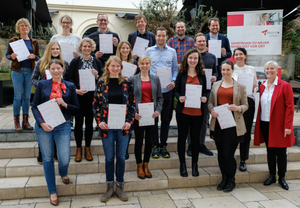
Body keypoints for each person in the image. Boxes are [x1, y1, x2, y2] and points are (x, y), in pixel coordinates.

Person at [31, 59, 79, 206]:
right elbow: (34, 106)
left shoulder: (70, 86)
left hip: (63, 125)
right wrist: (41, 123)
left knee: (64, 158)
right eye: (53, 68)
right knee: (47, 158)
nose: (56, 71)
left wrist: (65, 104)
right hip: (44, 125)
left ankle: (63, 172)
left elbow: (76, 109)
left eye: (59, 68)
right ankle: (52, 191)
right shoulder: (42, 84)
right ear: (49, 70)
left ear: (63, 69)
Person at [93, 56, 135, 202]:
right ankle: (110, 187)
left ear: (121, 67)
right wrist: (99, 121)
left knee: (121, 157)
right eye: (113, 66)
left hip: (123, 127)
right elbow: (96, 105)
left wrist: (130, 122)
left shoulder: (127, 83)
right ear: (108, 67)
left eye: (118, 66)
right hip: (107, 127)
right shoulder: (101, 83)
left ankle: (120, 187)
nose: (115, 68)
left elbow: (132, 104)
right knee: (110, 158)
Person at [208, 60, 248, 192]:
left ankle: (231, 180)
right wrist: (211, 111)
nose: (225, 72)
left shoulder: (240, 86)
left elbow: (245, 105)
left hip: (233, 124)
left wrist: (237, 107)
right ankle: (224, 178)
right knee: (220, 153)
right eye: (223, 70)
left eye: (228, 69)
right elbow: (210, 103)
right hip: (219, 123)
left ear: (232, 70)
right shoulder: (216, 85)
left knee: (228, 154)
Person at [254, 61, 295, 190]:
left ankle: (282, 177)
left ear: (277, 70)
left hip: (279, 125)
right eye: (267, 69)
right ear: (264, 71)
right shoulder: (262, 86)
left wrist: (288, 125)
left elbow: (290, 107)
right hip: (265, 123)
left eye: (272, 68)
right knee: (270, 151)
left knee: (281, 152)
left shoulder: (284, 85)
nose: (269, 71)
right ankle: (272, 175)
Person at [31, 40, 68, 165]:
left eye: (57, 49)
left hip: (58, 100)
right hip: (44, 100)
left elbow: (66, 82)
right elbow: (33, 79)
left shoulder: (64, 63)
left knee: (57, 126)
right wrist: (43, 87)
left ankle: (57, 153)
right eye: (53, 49)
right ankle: (43, 155)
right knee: (45, 127)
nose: (55, 51)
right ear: (49, 50)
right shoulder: (41, 63)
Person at [65, 38, 102, 162]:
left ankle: (88, 148)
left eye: (89, 46)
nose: (87, 48)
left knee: (90, 124)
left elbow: (102, 79)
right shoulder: (75, 61)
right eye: (84, 46)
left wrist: (97, 76)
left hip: (92, 98)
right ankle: (79, 149)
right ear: (80, 47)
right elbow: (69, 78)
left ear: (92, 48)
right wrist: (76, 90)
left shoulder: (97, 61)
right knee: (79, 124)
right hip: (78, 97)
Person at [145, 27, 178, 159]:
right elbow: (145, 67)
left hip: (167, 90)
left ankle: (163, 145)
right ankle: (154, 145)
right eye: (158, 35)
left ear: (166, 37)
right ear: (155, 37)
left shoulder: (172, 52)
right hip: (152, 90)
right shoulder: (148, 51)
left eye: (163, 36)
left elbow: (175, 69)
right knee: (153, 118)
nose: (160, 38)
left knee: (166, 119)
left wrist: (174, 81)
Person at [175, 49, 207, 177]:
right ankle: (182, 164)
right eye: (190, 58)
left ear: (198, 60)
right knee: (182, 138)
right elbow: (176, 91)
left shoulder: (202, 74)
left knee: (195, 139)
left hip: (197, 112)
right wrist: (180, 97)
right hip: (183, 111)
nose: (193, 60)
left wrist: (204, 97)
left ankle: (195, 164)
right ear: (186, 59)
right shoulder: (181, 74)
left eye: (195, 58)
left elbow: (205, 91)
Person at [130, 55, 163, 179]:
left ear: (150, 65)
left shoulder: (155, 79)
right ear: (138, 65)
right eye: (142, 63)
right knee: (139, 141)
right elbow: (129, 99)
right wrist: (133, 113)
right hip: (139, 115)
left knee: (149, 141)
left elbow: (160, 97)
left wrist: (158, 110)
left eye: (147, 63)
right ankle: (139, 165)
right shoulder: (133, 79)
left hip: (152, 115)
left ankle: (146, 164)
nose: (144, 66)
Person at [185, 32, 218, 157]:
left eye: (203, 41)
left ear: (206, 42)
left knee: (204, 119)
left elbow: (216, 72)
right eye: (199, 41)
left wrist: (215, 76)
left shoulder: (212, 57)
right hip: (192, 91)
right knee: (190, 119)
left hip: (206, 92)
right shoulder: (191, 56)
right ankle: (191, 144)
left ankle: (201, 144)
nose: (201, 43)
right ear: (195, 43)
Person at [6, 18, 40, 132]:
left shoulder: (34, 41)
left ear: (29, 27)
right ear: (18, 28)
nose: (24, 28)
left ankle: (25, 121)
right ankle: (16, 122)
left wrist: (33, 56)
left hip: (30, 71)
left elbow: (38, 56)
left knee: (27, 97)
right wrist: (12, 56)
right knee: (17, 97)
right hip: (17, 71)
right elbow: (7, 55)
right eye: (21, 26)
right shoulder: (13, 40)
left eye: (26, 26)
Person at [232, 47, 258, 172]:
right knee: (232, 131)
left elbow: (256, 87)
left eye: (241, 54)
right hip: (234, 103)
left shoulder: (251, 69)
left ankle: (243, 159)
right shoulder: (231, 69)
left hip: (248, 102)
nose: (238, 56)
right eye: (236, 54)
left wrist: (254, 87)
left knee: (246, 131)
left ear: (245, 56)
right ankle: (230, 156)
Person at [116, 40, 138, 159]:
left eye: (127, 48)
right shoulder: (115, 61)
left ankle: (125, 149)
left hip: (130, 96)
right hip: (118, 96)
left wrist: (134, 75)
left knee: (128, 123)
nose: (125, 50)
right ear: (119, 49)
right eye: (123, 48)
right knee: (118, 123)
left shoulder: (134, 63)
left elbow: (139, 79)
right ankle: (118, 148)